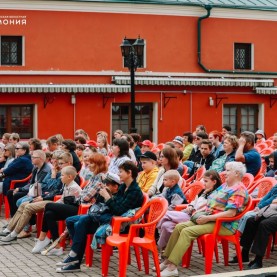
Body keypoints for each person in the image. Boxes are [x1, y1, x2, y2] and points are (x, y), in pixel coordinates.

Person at [158, 161, 249, 277]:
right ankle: (167, 260)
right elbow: (211, 200)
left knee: (187, 231)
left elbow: (231, 213)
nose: (225, 173)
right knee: (179, 226)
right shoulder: (226, 185)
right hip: (211, 219)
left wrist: (208, 217)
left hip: (225, 224)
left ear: (236, 173)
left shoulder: (239, 190)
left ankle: (172, 267)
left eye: (228, 170)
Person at [56, 161, 144, 273]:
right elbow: (110, 205)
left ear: (129, 172)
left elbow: (118, 210)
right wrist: (103, 194)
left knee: (80, 222)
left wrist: (107, 197)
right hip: (107, 217)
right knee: (72, 221)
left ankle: (75, 257)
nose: (119, 174)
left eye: (121, 171)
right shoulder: (124, 187)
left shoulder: (134, 191)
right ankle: (76, 255)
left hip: (118, 225)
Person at [0, 151, 73, 244]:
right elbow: (48, 188)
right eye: (56, 161)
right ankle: (10, 229)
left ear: (69, 163)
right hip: (47, 196)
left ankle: (15, 233)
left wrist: (43, 196)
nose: (57, 164)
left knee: (28, 206)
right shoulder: (57, 172)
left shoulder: (67, 174)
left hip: (54, 200)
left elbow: (56, 191)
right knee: (23, 204)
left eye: (60, 163)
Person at [157, 170, 221, 250]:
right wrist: (190, 205)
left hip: (195, 218)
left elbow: (205, 207)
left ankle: (156, 230)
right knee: (166, 225)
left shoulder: (217, 194)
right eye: (203, 181)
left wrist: (193, 207)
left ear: (214, 182)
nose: (203, 183)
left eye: (206, 181)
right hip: (189, 213)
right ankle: (163, 247)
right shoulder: (204, 191)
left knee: (164, 214)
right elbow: (194, 201)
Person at [32, 166, 82, 255]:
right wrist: (54, 206)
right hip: (67, 207)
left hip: (75, 210)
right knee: (49, 213)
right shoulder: (67, 184)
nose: (60, 177)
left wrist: (53, 205)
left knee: (48, 205)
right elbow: (62, 200)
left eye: (62, 175)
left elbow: (70, 203)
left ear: (69, 177)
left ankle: (42, 237)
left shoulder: (74, 187)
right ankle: (57, 246)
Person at [230, 197, 277, 269]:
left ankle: (258, 260)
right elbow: (273, 200)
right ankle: (244, 254)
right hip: (273, 212)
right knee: (251, 221)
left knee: (264, 224)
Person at [6, 150, 51, 219]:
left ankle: (28, 220)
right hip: (33, 189)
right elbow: (31, 182)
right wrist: (20, 188)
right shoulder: (35, 167)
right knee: (10, 192)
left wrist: (22, 189)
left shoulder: (45, 170)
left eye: (34, 157)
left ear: (41, 159)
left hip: (38, 192)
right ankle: (14, 218)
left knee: (17, 196)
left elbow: (39, 186)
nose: (31, 158)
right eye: (32, 157)